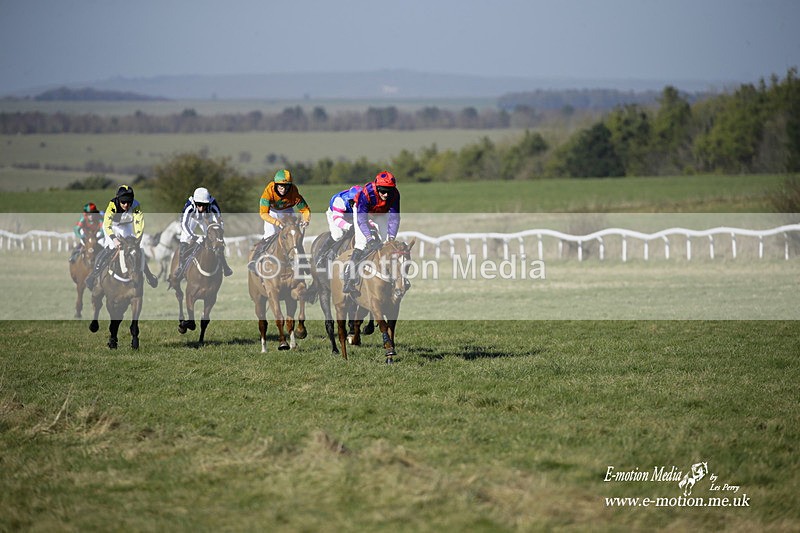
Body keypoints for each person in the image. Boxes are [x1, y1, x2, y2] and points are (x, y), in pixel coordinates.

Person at [85, 185, 158, 289]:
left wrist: (137, 241)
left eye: (129, 202)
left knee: (136, 250)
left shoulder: (136, 205)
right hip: (113, 227)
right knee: (111, 249)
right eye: (123, 202)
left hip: (126, 226)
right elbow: (106, 225)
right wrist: (114, 239)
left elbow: (139, 225)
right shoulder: (112, 205)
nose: (126, 205)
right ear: (118, 199)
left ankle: (149, 276)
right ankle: (93, 275)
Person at [342, 171, 400, 295]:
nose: (386, 194)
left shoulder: (395, 195)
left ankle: (391, 278)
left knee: (386, 243)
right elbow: (362, 220)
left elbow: (394, 218)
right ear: (377, 187)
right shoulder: (366, 193)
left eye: (389, 191)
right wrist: (370, 238)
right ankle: (349, 278)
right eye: (383, 190)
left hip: (381, 213)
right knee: (361, 243)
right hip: (362, 212)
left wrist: (391, 237)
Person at [248, 169, 311, 273]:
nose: (283, 189)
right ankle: (255, 258)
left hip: (287, 210)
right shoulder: (268, 191)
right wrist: (276, 222)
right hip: (272, 212)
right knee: (270, 234)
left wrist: (306, 220)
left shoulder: (293, 191)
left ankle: (303, 262)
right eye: (281, 186)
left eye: (286, 186)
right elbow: (263, 213)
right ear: (276, 184)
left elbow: (305, 210)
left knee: (294, 236)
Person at [170, 186, 233, 285]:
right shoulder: (189, 206)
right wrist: (193, 237)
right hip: (192, 219)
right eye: (199, 205)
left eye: (204, 205)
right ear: (195, 203)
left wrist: (218, 235)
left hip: (206, 219)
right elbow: (183, 224)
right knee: (184, 239)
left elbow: (220, 222)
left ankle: (225, 266)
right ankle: (181, 266)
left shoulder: (213, 204)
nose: (202, 208)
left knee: (216, 240)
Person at [315, 185, 363, 269]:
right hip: (336, 214)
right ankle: (320, 256)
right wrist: (349, 226)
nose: (355, 205)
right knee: (338, 235)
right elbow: (337, 219)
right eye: (353, 202)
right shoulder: (340, 201)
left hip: (350, 214)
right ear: (349, 199)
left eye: (359, 203)